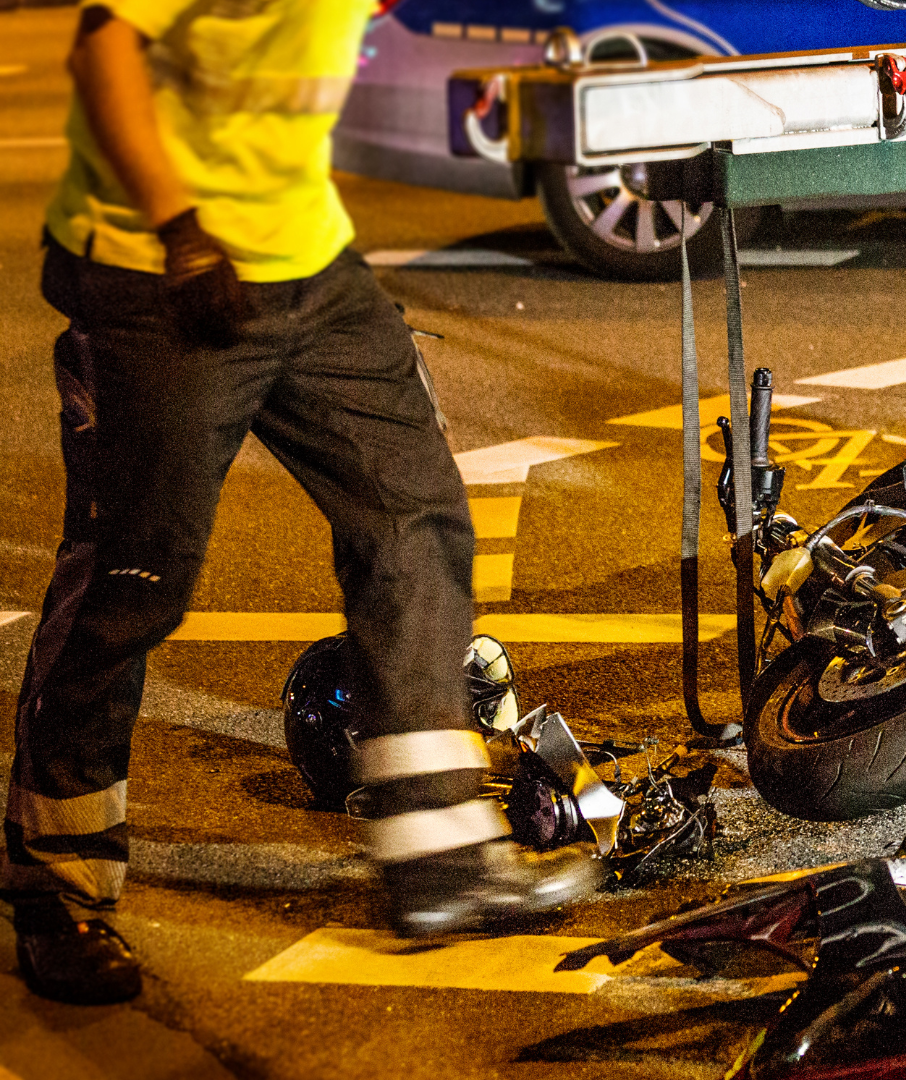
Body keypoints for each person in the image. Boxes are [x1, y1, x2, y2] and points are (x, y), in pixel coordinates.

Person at [4, 2, 602, 1006]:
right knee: (133, 579)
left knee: (416, 521)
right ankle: (53, 878)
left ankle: (437, 856)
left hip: (309, 268)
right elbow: (105, 45)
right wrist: (180, 231)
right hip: (162, 274)